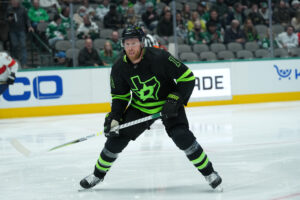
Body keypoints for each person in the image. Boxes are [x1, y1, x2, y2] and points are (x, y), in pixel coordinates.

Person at [79, 25, 222, 190]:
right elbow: (120, 96)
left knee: (182, 136)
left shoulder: (160, 57)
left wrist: (175, 99)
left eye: (133, 43)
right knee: (115, 141)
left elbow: (187, 77)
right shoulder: (119, 67)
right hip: (141, 108)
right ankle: (97, 175)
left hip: (168, 105)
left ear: (141, 43)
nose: (130, 47)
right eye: (127, 44)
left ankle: (209, 173)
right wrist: (115, 117)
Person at [6, 0, 34, 68]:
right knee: (14, 46)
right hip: (12, 30)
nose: (14, 3)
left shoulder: (23, 9)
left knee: (23, 46)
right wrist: (8, 19)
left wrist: (29, 26)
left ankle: (24, 63)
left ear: (18, 2)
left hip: (21, 30)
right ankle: (16, 62)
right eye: (13, 1)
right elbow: (5, 18)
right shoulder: (9, 9)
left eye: (15, 1)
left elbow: (27, 19)